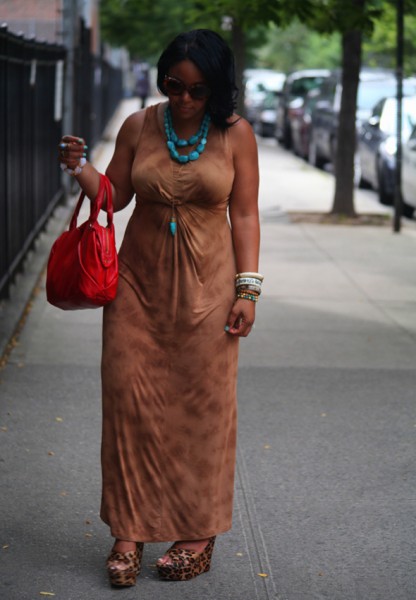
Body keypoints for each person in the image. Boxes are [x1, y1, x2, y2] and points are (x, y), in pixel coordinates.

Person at [57, 28, 261, 587]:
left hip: (209, 294)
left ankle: (196, 530)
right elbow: (114, 196)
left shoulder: (235, 135)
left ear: (217, 89)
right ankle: (128, 531)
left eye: (197, 90)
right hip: (137, 289)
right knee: (130, 405)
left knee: (202, 413)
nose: (184, 99)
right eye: (174, 85)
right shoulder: (140, 125)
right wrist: (80, 168)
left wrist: (248, 289)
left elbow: (244, 214)